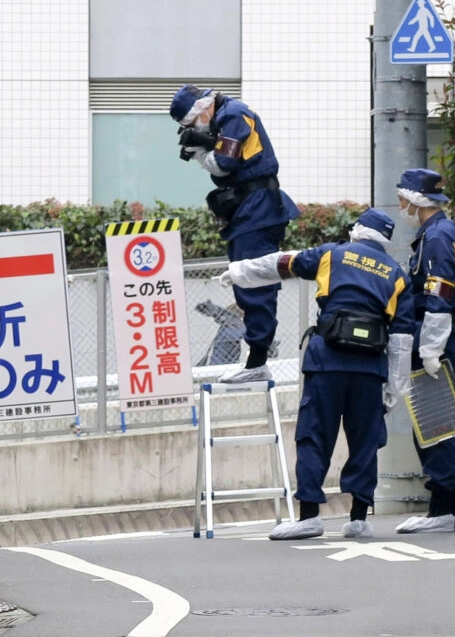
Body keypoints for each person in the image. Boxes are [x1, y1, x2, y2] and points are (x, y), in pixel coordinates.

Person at [218, 208, 415, 540]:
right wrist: (394, 388)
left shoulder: (332, 255)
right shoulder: (397, 275)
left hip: (327, 361)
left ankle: (309, 516)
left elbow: (282, 264)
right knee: (365, 442)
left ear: (356, 232)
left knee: (314, 437)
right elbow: (401, 338)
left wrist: (239, 272)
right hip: (369, 368)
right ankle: (358, 519)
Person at [170, 84, 300, 383]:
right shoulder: (224, 117)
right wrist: (204, 144)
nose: (194, 128)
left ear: (201, 109)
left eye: (192, 124)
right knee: (246, 280)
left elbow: (223, 164)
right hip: (249, 208)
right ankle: (256, 359)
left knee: (255, 280)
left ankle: (257, 361)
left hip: (258, 208)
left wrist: (202, 148)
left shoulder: (234, 114)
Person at [393, 168, 455, 534]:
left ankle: (441, 510)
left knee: (437, 424)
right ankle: (451, 507)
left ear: (414, 200)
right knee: (450, 424)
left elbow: (438, 297)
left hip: (442, 341)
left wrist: (429, 349)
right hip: (452, 340)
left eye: (402, 198)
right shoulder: (443, 232)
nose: (400, 204)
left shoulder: (437, 237)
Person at [195, 300, 246, 366]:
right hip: (222, 363)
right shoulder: (231, 328)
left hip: (219, 362)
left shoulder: (225, 327)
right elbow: (244, 331)